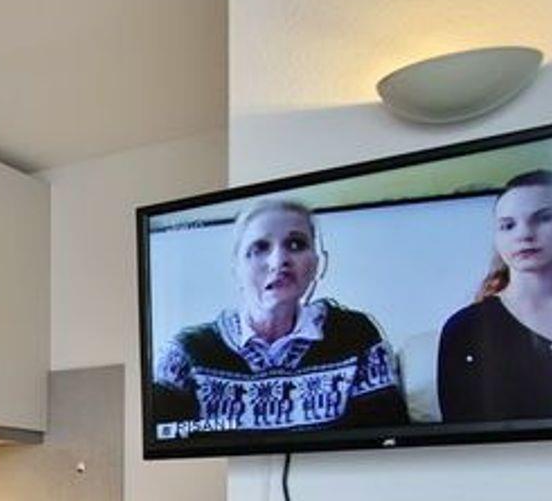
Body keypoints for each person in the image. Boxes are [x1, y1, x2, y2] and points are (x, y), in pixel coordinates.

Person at [151, 198, 408, 438]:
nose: (278, 261)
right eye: (260, 248)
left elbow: (386, 439)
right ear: (236, 268)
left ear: (316, 264)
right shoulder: (187, 352)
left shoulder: (356, 336)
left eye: (296, 244)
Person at [436, 170, 552, 423]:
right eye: (508, 225)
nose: (524, 234)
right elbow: (462, 434)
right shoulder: (465, 328)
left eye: (544, 218)